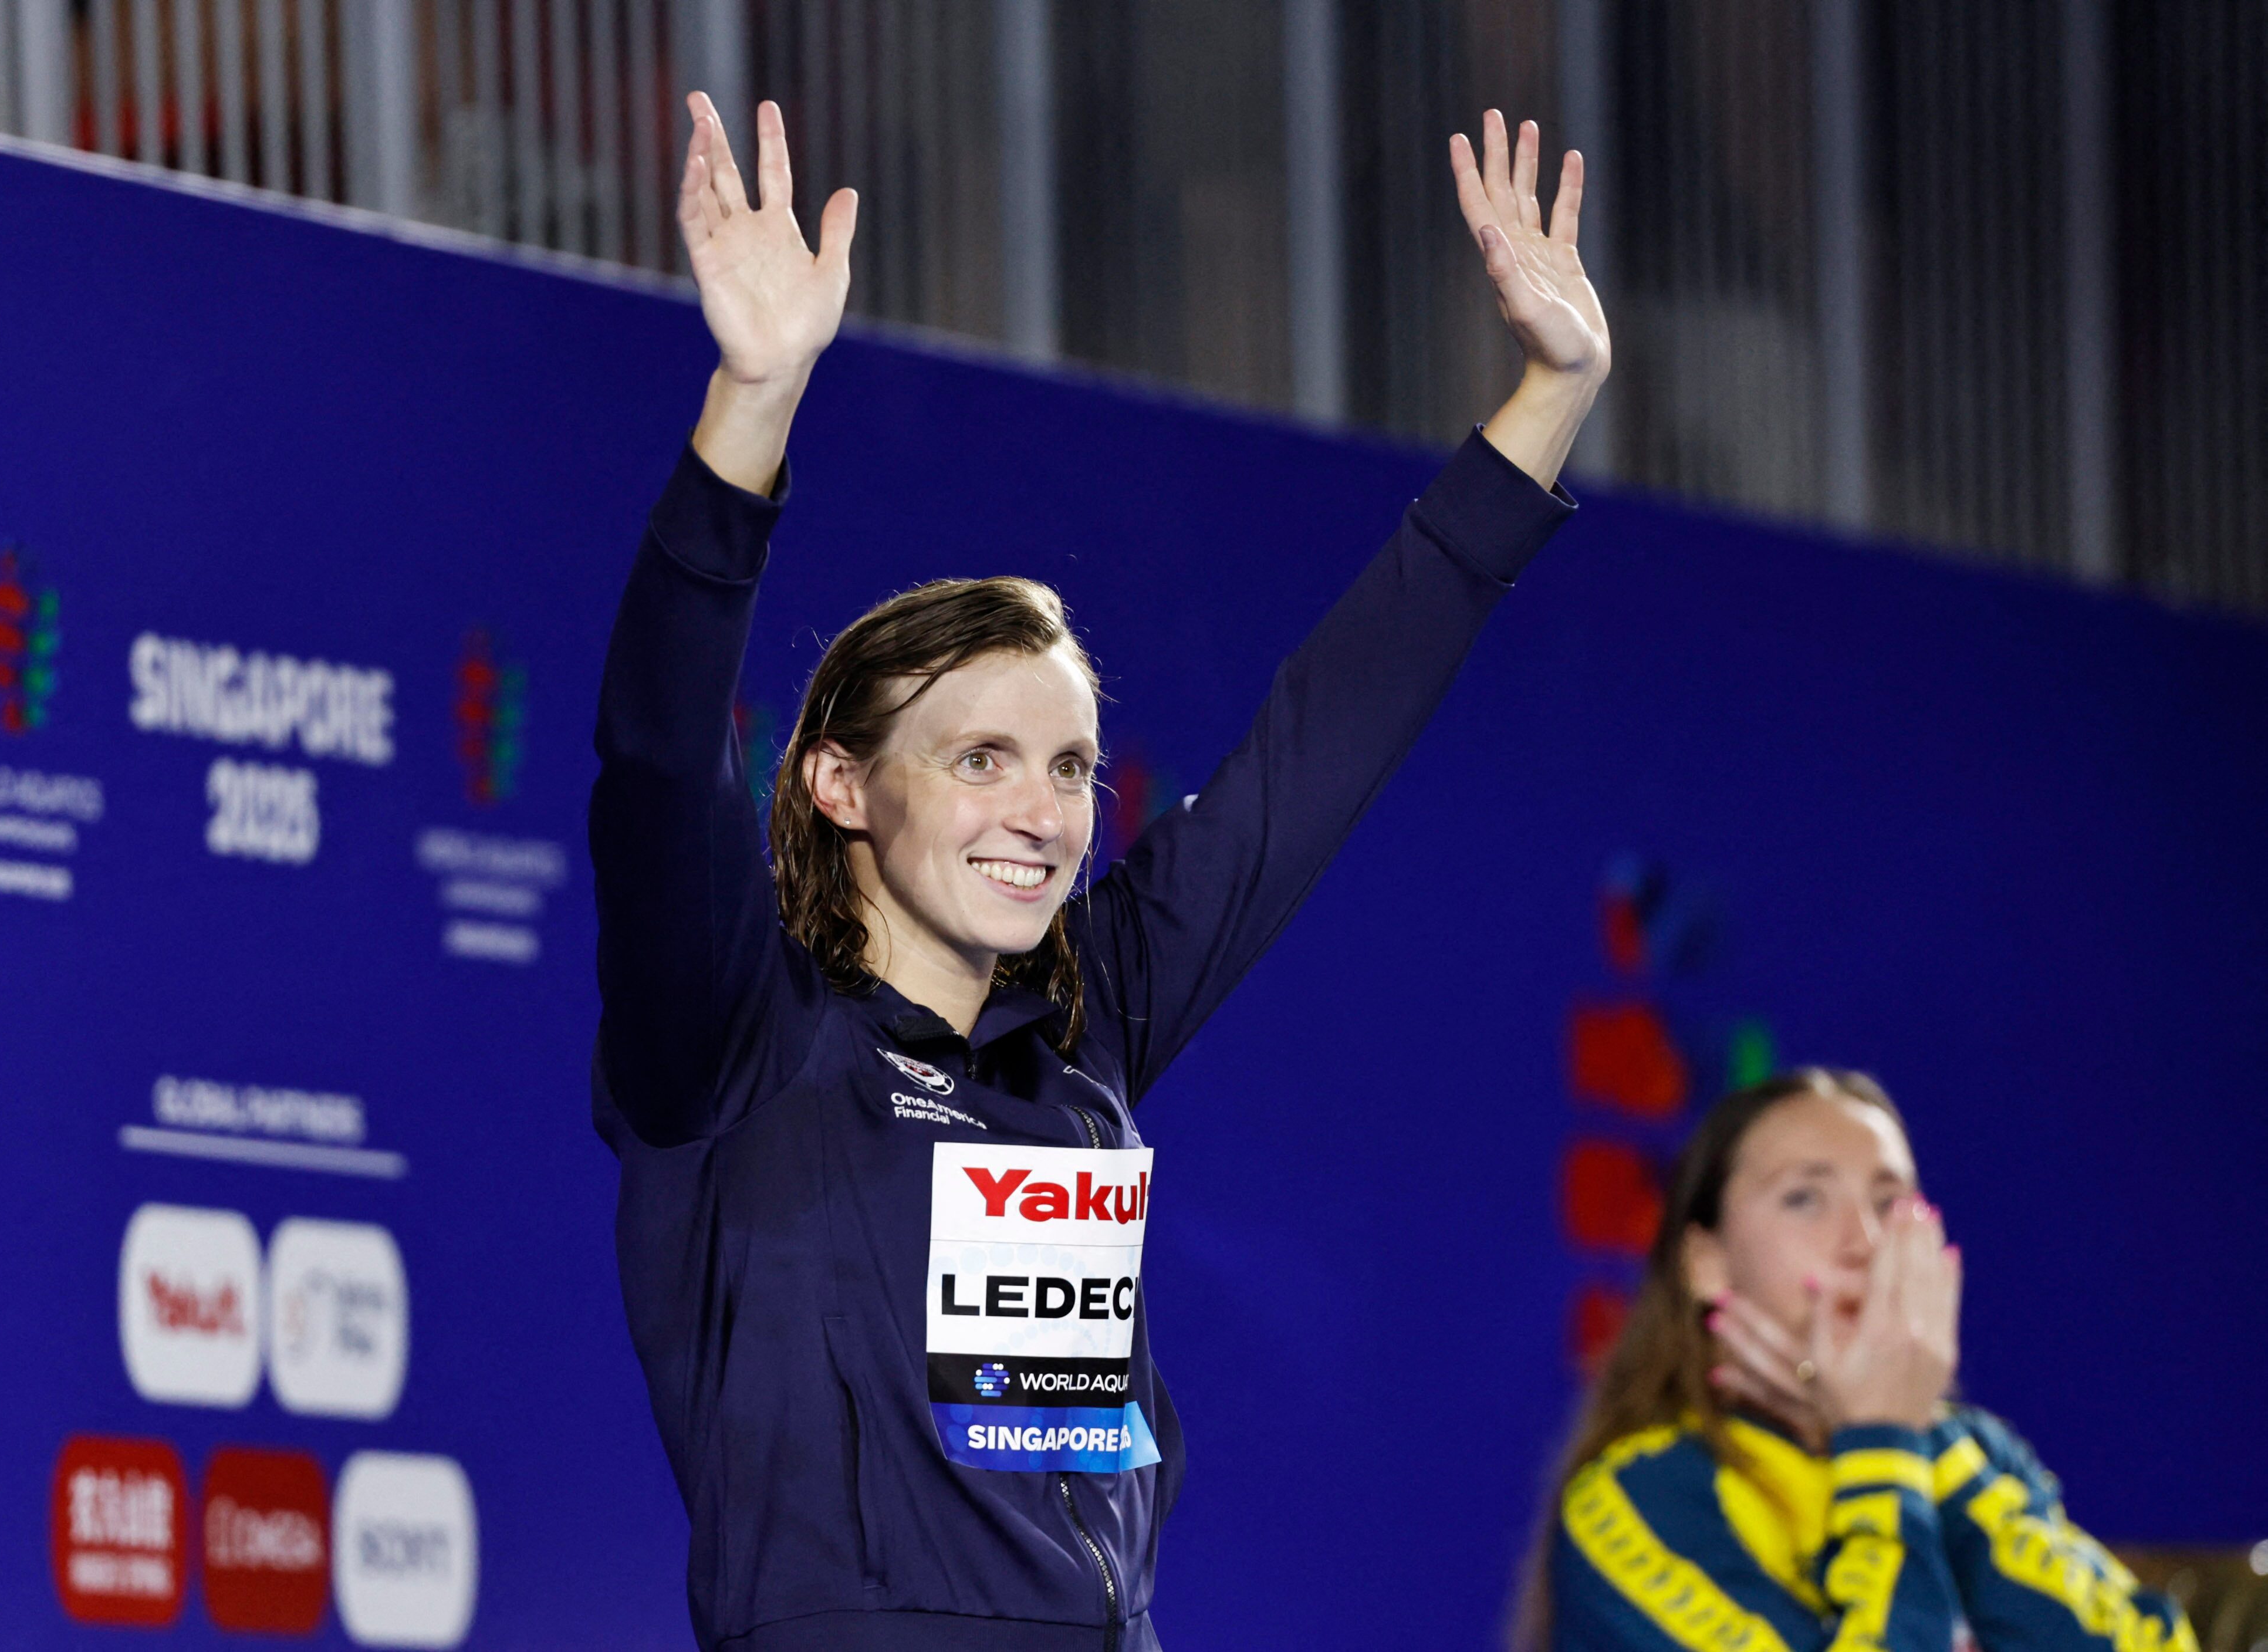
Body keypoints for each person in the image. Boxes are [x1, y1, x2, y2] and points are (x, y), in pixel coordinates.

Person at [590, 90, 1607, 1651]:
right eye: (978, 758)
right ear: (840, 782)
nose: (1040, 811)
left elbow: (1313, 751)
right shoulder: (733, 1035)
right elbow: (660, 752)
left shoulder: (1088, 1023)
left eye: (1068, 767)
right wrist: (754, 398)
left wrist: (1553, 392)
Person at [1523, 1068, 2199, 1652]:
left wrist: (1916, 1435)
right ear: (1707, 1262)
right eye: (1806, 1198)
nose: (1865, 1240)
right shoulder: (1639, 1499)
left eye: (1889, 1201)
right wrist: (1883, 1442)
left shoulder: (1968, 1453)